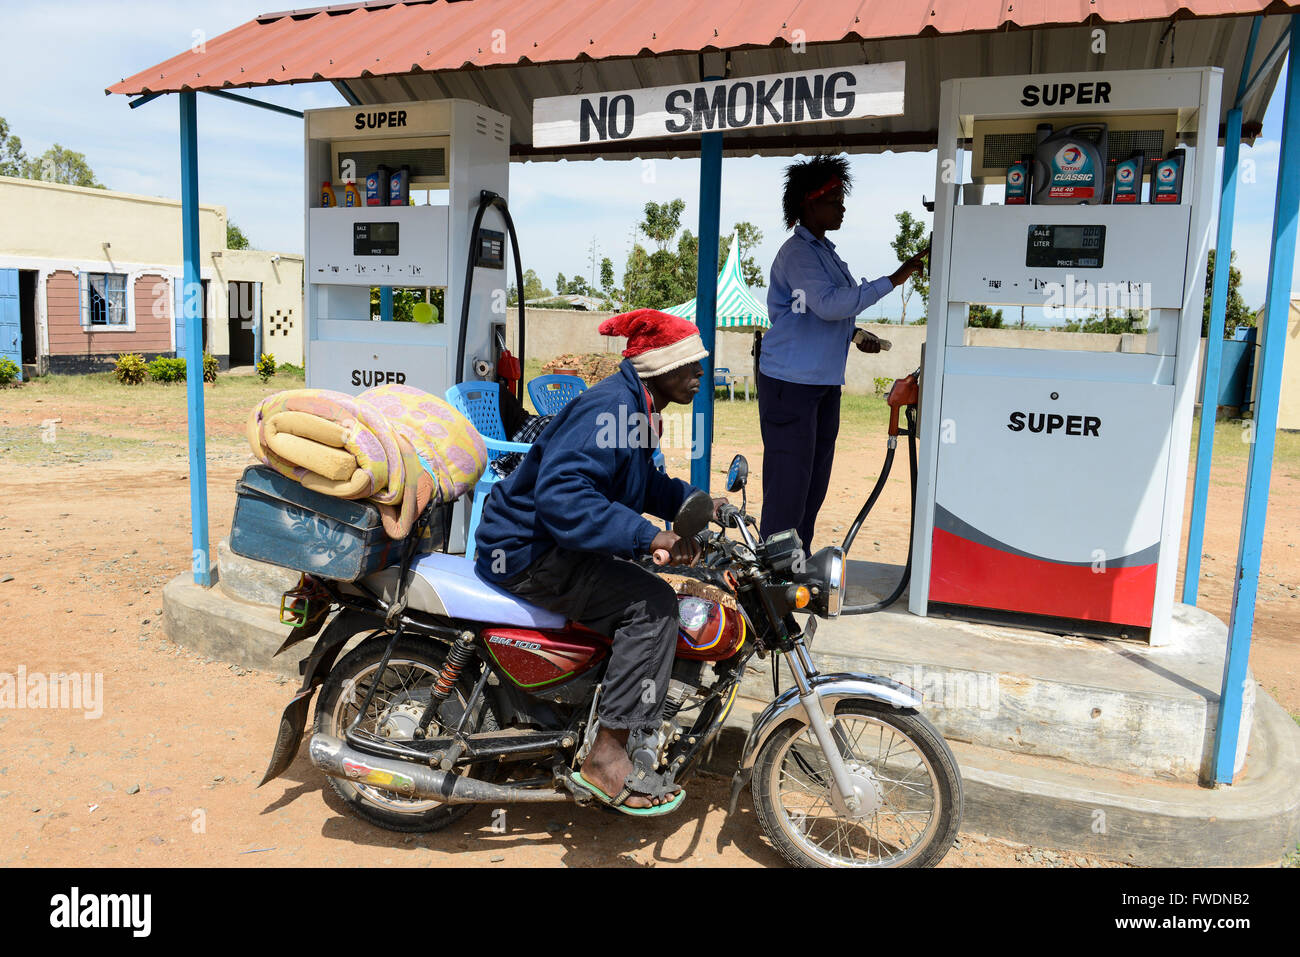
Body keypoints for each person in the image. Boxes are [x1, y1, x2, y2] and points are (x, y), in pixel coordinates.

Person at [473, 308, 711, 816]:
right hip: (526, 551)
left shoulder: (639, 409)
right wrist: (649, 536)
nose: (699, 373)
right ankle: (606, 757)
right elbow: (563, 498)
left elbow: (641, 483)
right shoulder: (611, 408)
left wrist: (700, 504)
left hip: (557, 547)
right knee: (653, 603)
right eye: (689, 363)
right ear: (657, 366)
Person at [759, 154, 928, 550]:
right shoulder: (798, 253)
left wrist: (853, 335)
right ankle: (770, 579)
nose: (842, 206)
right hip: (791, 385)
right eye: (834, 199)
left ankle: (794, 566)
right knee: (789, 487)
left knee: (812, 486)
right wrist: (895, 278)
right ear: (808, 202)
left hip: (820, 385)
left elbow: (828, 313)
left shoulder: (825, 253)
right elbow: (829, 304)